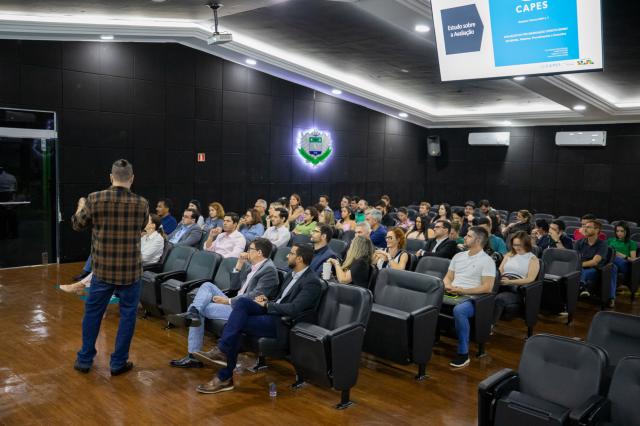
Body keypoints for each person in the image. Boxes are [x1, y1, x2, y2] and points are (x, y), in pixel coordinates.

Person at [193, 243, 323, 394]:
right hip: (272, 311)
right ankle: (222, 358)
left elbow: (294, 309)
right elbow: (280, 298)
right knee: (242, 302)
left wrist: (268, 305)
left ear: (299, 259)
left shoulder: (312, 282)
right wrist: (266, 300)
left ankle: (224, 371)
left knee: (236, 325)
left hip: (282, 323)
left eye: (291, 254)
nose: (288, 256)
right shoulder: (291, 274)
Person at [71, 159, 149, 376]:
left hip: (103, 270)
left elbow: (77, 224)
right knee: (127, 316)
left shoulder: (94, 199)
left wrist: (81, 206)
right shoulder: (142, 203)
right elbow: (143, 226)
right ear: (132, 179)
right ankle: (118, 363)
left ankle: (85, 359)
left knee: (93, 313)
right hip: (131, 271)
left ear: (111, 177)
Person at [168, 238, 279, 368]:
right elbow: (234, 287)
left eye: (250, 249)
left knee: (200, 309)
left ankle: (193, 354)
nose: (247, 252)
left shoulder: (269, 270)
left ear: (259, 252)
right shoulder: (253, 266)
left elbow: (255, 296)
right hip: (236, 302)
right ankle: (193, 312)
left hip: (243, 310)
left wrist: (227, 301)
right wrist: (239, 264)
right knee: (207, 285)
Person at [60, 214, 165, 294]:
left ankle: (81, 285)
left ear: (152, 225)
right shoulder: (145, 237)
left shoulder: (158, 239)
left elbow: (144, 257)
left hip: (144, 267)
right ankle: (83, 285)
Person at [442, 226, 496, 368]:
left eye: (469, 236)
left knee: (459, 310)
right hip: (453, 292)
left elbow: (487, 287)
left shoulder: (487, 261)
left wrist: (463, 290)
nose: (464, 237)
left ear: (478, 240)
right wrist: (448, 285)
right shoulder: (458, 256)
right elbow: (448, 277)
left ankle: (463, 354)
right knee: (428, 300)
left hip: (473, 298)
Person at [493, 232, 541, 324]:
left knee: (499, 298)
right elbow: (499, 272)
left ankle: (488, 326)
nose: (516, 247)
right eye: (514, 245)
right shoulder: (509, 255)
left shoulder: (532, 259)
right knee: (484, 295)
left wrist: (510, 282)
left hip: (516, 288)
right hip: (502, 282)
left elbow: (530, 279)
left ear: (526, 244)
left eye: (519, 245)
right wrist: (500, 280)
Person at [575, 220, 609, 303]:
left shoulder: (602, 244)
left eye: (588, 227)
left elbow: (594, 262)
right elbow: (574, 258)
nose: (585, 229)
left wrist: (578, 265)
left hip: (594, 269)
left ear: (597, 230)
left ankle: (582, 287)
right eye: (585, 227)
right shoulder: (579, 242)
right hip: (580, 267)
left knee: (583, 272)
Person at [607, 221, 637, 308]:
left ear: (626, 231)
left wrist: (621, 255)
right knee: (613, 268)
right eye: (617, 231)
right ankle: (611, 298)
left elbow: (634, 260)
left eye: (622, 231)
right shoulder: (610, 240)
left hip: (624, 264)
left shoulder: (631, 243)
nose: (619, 233)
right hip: (613, 263)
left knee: (613, 259)